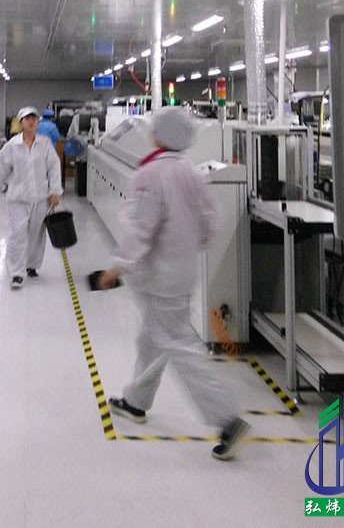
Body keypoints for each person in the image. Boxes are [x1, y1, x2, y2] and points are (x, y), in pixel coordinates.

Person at [97, 106, 250, 461]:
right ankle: (136, 401)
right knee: (151, 339)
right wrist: (188, 246)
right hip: (182, 271)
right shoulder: (190, 171)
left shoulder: (151, 174)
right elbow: (210, 222)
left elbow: (141, 228)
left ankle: (227, 419)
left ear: (160, 135)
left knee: (179, 345)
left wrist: (117, 266)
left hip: (158, 276)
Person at [0, 106, 63, 289]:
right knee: (18, 234)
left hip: (40, 197)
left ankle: (32, 266)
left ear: (38, 122)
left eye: (34, 119)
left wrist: (55, 191)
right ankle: (16, 273)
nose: (31, 122)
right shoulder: (12, 146)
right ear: (21, 122)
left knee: (36, 233)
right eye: (27, 119)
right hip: (18, 198)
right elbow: (0, 169)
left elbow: (54, 168)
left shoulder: (45, 144)